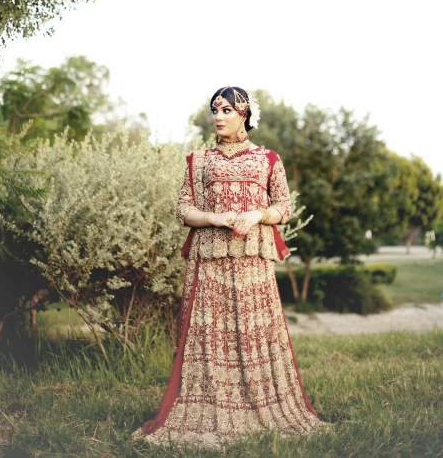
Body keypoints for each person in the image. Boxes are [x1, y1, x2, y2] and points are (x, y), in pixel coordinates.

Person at [132, 86, 327, 450]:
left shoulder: (268, 159)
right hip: (210, 263)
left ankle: (264, 403)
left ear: (245, 115)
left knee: (253, 336)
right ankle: (209, 406)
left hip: (253, 263)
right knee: (211, 337)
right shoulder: (199, 160)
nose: (218, 116)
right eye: (215, 110)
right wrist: (214, 218)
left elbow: (284, 208)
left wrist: (256, 214)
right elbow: (182, 211)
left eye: (227, 110)